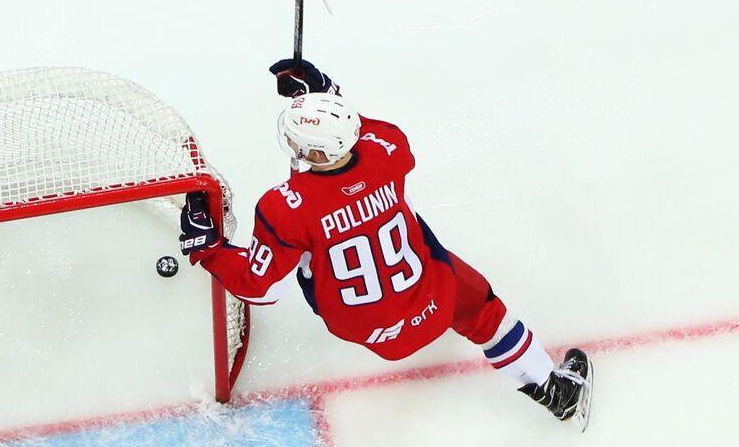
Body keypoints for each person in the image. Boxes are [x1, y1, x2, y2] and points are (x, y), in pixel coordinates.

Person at [180, 60, 593, 428]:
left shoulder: (283, 207)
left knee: (307, 250)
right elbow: (363, 132)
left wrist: (208, 248)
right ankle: (551, 390)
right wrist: (325, 93)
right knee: (483, 308)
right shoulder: (388, 151)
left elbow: (261, 288)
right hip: (434, 303)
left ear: (312, 152)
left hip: (366, 329)